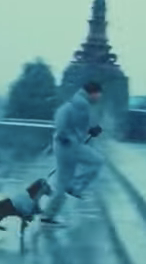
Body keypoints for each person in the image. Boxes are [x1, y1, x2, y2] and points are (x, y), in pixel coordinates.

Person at [41, 81, 105, 227]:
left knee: (64, 181)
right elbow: (62, 121)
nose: (99, 98)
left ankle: (49, 214)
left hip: (69, 144)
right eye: (99, 95)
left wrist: (91, 130)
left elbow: (75, 124)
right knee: (96, 162)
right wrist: (64, 136)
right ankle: (74, 186)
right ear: (93, 93)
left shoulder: (79, 103)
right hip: (68, 146)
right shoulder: (79, 104)